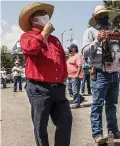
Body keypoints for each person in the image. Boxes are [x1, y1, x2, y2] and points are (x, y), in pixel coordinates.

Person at [19, 2, 72, 146]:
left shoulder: (55, 40)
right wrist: (44, 33)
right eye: (41, 15)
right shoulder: (27, 36)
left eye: (45, 14)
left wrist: (63, 77)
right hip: (39, 89)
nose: (45, 17)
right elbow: (30, 48)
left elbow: (61, 59)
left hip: (58, 88)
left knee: (65, 121)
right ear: (33, 20)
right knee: (40, 125)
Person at [82, 5, 120, 144]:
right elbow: (84, 52)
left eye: (107, 15)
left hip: (114, 71)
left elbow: (119, 52)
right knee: (97, 104)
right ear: (97, 18)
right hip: (100, 72)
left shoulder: (112, 32)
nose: (106, 18)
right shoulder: (90, 32)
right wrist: (97, 40)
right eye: (103, 15)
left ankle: (113, 131)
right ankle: (97, 134)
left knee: (112, 104)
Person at [67, 44, 85, 109]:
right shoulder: (71, 56)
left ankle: (76, 103)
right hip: (69, 76)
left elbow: (79, 66)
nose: (69, 51)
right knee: (70, 90)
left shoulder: (77, 56)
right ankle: (80, 98)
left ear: (74, 49)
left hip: (75, 76)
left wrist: (77, 74)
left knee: (75, 90)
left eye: (70, 49)